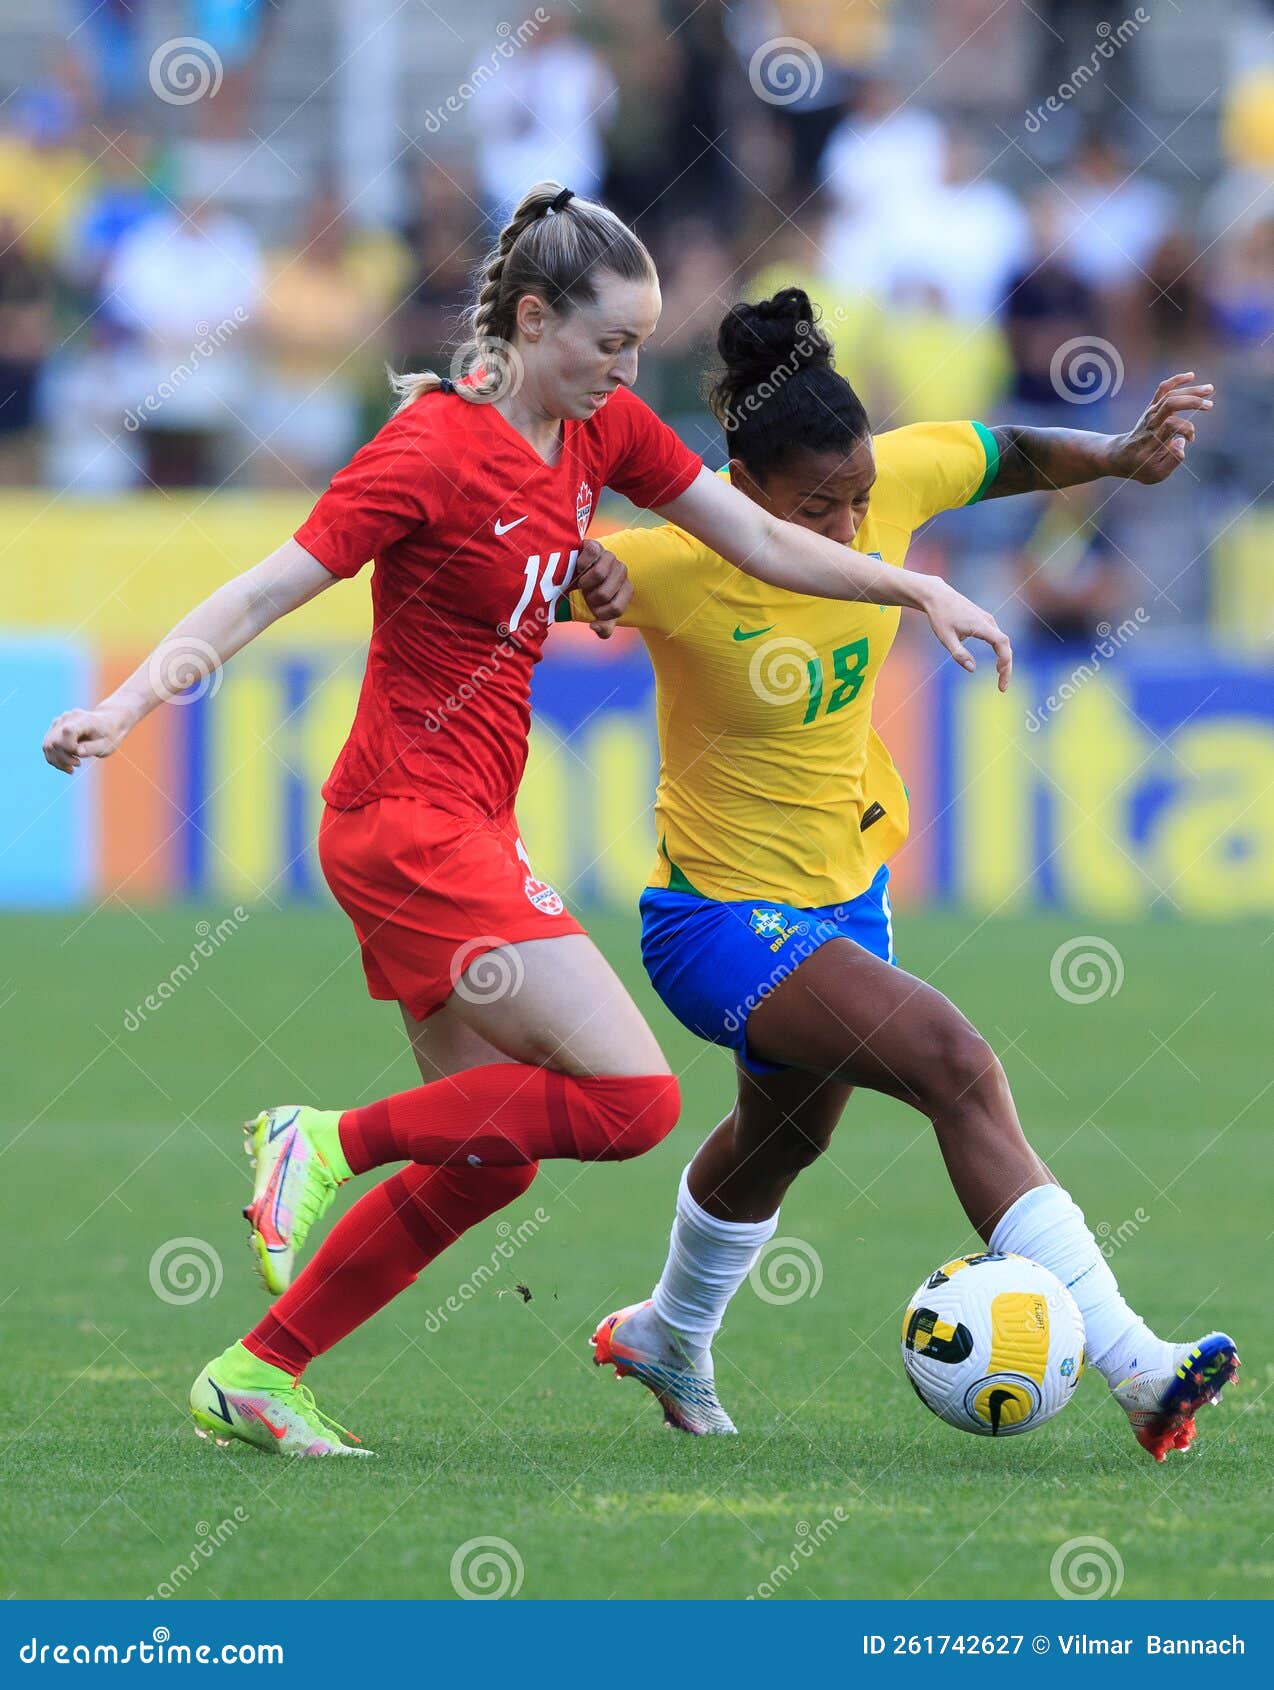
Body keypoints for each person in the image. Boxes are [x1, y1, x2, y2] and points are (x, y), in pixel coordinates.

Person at [42, 191, 1008, 1458]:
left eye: (642, 344)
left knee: (491, 1152)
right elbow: (265, 590)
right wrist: (125, 704)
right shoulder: (427, 450)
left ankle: (257, 1372)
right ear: (534, 317)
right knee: (630, 1100)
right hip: (404, 824)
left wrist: (908, 585)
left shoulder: (597, 430)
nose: (628, 368)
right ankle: (317, 1138)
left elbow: (763, 542)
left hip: (458, 825)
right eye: (611, 342)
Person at [568, 288, 1237, 1463]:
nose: (847, 523)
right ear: (737, 485)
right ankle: (1136, 1366)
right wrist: (586, 578)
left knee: (779, 1143)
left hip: (843, 895)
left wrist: (1120, 458)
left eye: (857, 498)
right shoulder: (673, 563)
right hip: (715, 918)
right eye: (814, 506)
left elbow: (1007, 450)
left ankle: (666, 1331)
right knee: (955, 1065)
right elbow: (547, 573)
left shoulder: (884, 480)